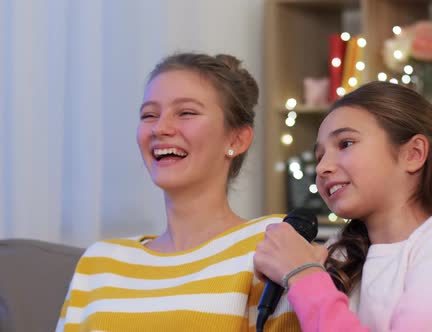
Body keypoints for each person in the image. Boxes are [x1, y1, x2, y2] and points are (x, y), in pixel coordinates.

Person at [254, 81, 432, 331]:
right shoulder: (343, 258)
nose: (323, 167)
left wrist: (304, 276)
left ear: (413, 154)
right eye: (320, 155)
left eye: (345, 143)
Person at [57, 53, 301, 331]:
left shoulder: (272, 243)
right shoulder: (99, 262)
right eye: (149, 115)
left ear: (237, 138)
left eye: (186, 112)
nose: (160, 128)